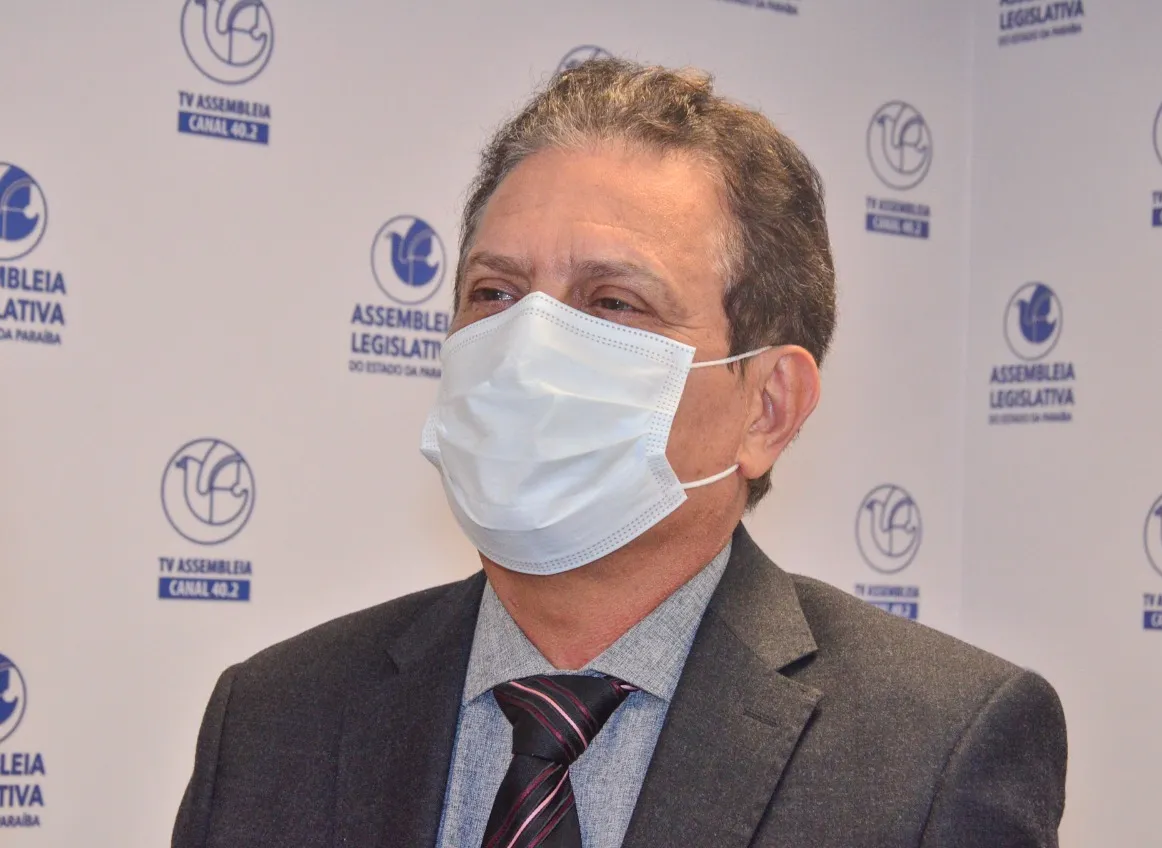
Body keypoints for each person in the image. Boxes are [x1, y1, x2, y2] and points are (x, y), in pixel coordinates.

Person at [172, 60, 1067, 848]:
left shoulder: (934, 751)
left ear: (767, 408)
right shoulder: (276, 718)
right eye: (494, 292)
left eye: (612, 303)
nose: (526, 349)